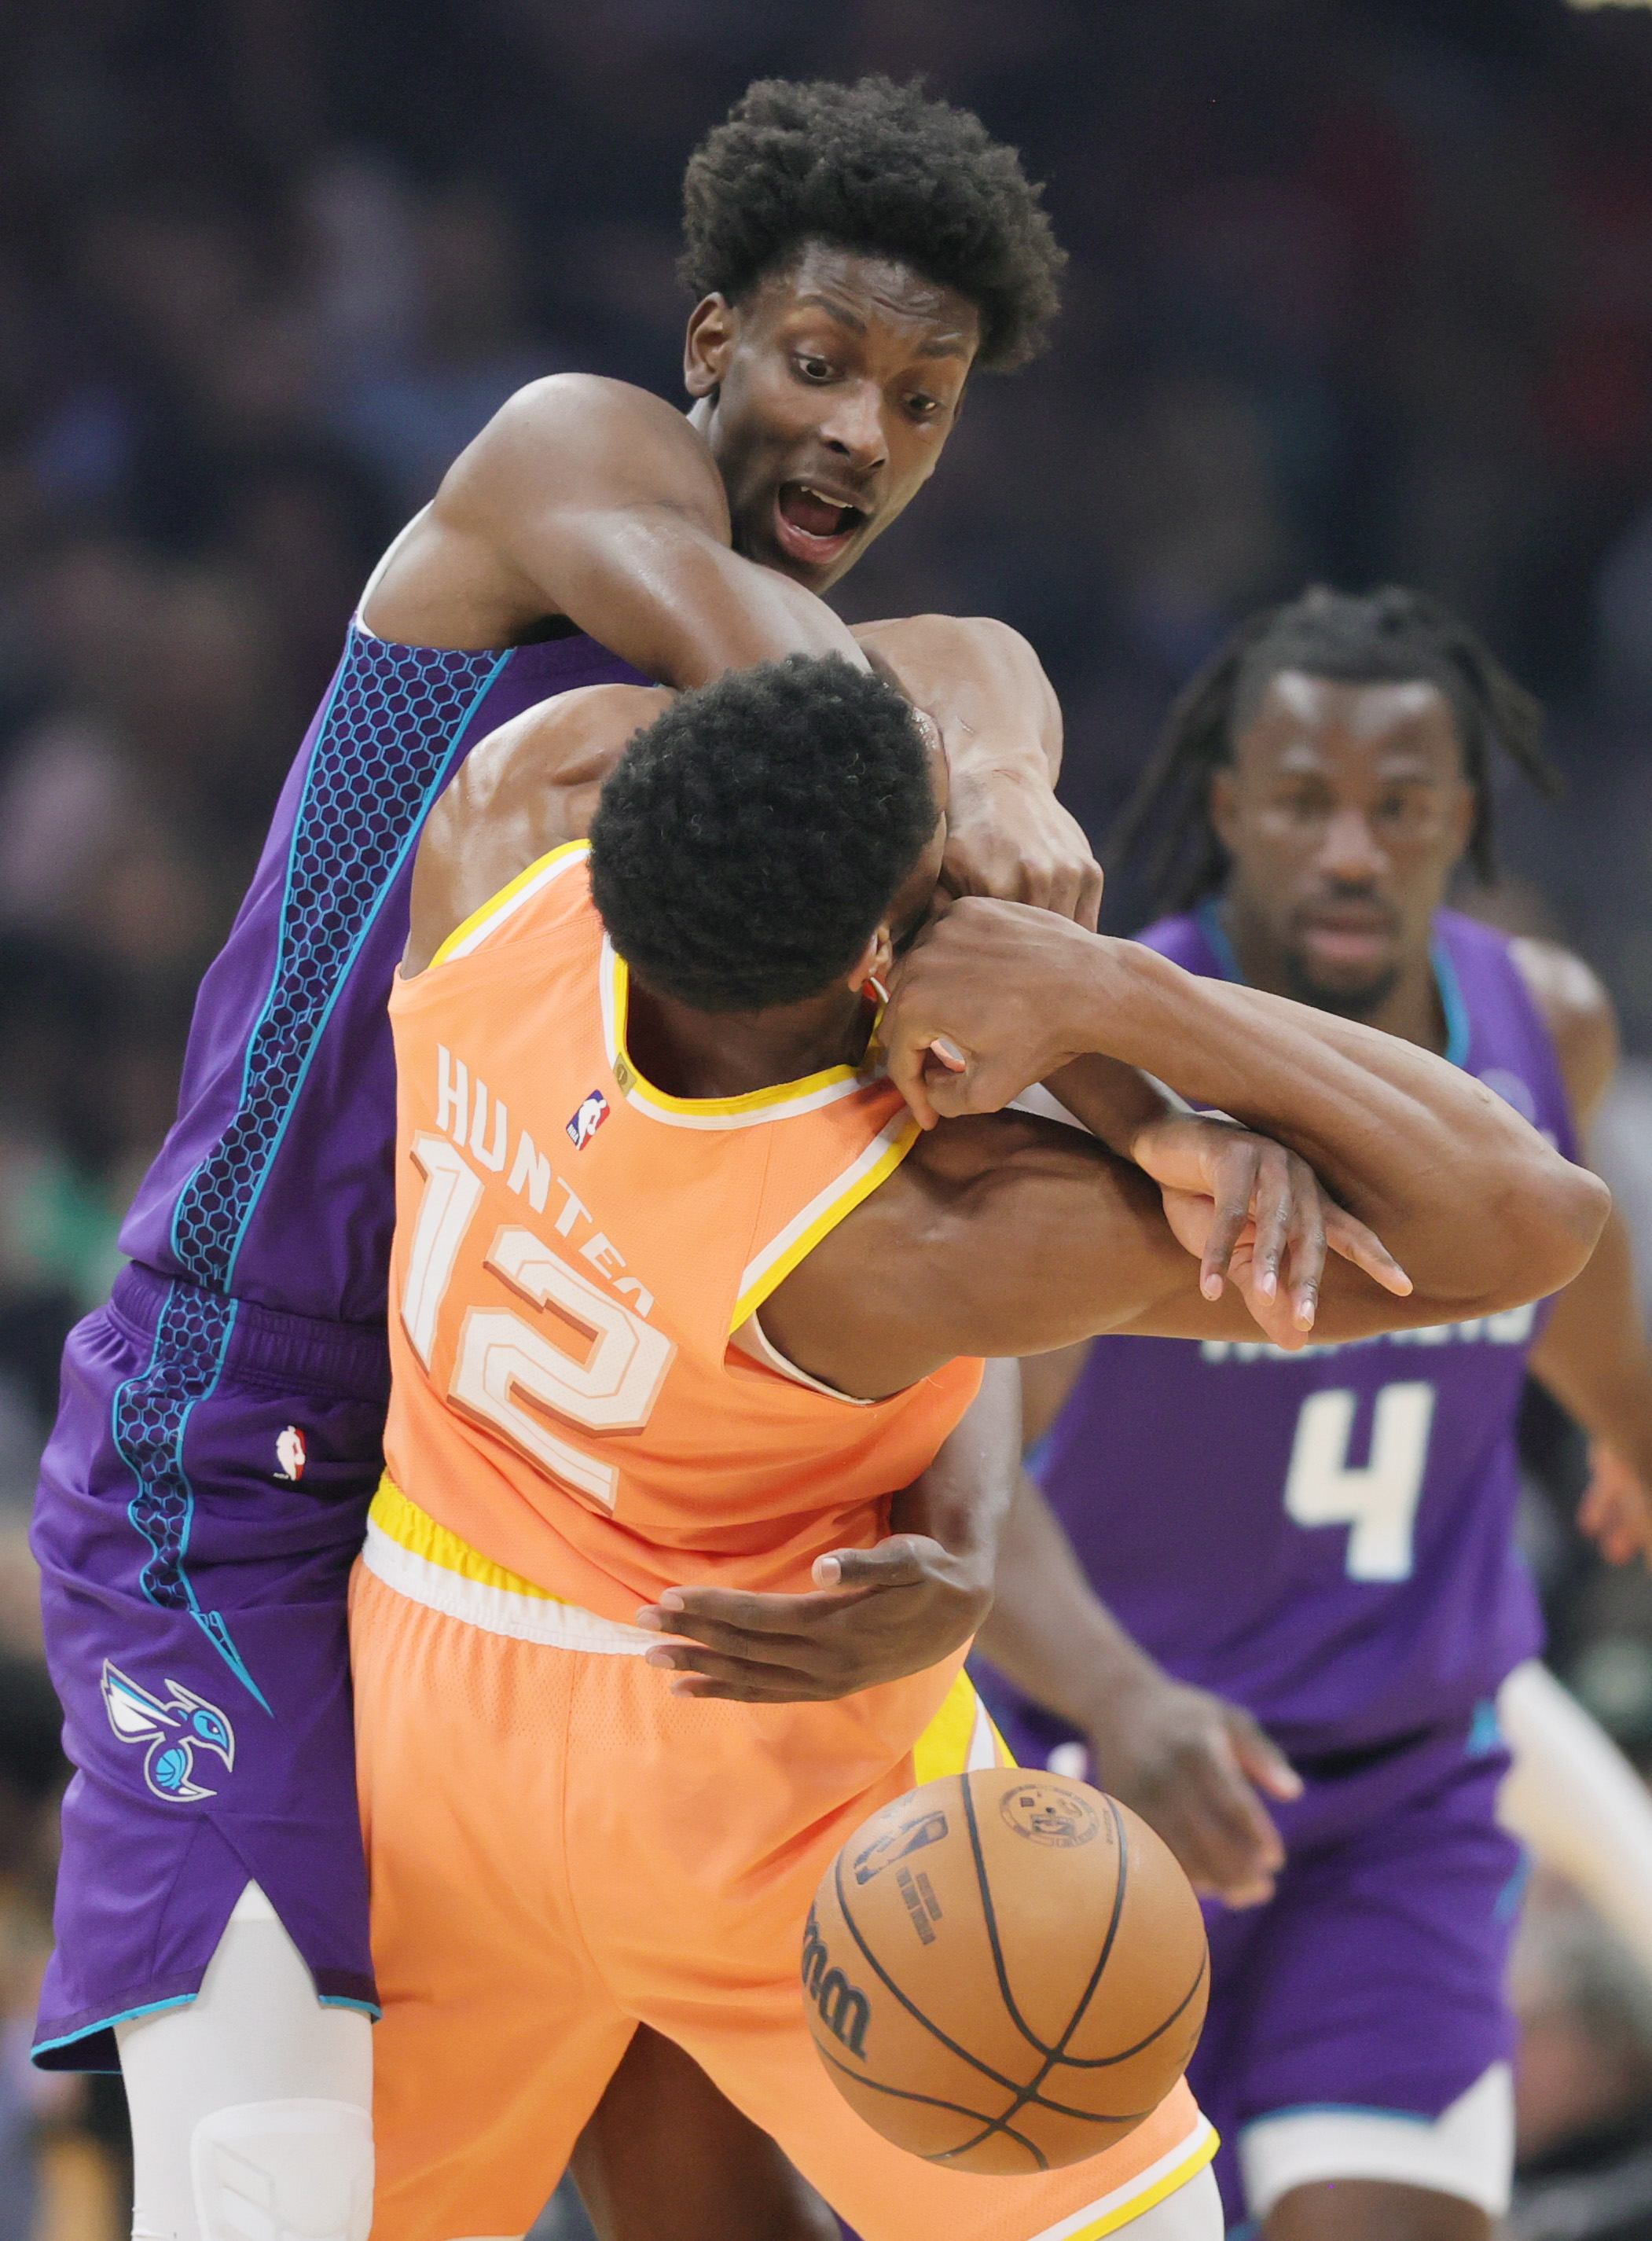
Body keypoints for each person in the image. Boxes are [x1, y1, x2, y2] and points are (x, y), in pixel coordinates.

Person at [31, 74, 1099, 2241]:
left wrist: (965, 1535)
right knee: (257, 2179)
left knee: (688, 2178)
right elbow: (814, 689)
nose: (861, 435)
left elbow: (905, 1199)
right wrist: (983, 754)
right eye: (816, 362)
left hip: (528, 1496)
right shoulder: (571, 455)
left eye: (921, 396)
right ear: (709, 342)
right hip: (233, 1429)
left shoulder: (885, 719)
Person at [356, 648, 1604, 2241]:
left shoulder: (507, 825)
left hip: (423, 1697)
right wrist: (1123, 1004)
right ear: (890, 942)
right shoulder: (914, 1231)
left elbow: (940, 663)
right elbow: (1526, 1219)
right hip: (743, 1747)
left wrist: (989, 791)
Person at [973, 586, 1652, 2241]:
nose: (1350, 850)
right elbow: (965, 1479)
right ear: (1224, 810)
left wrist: (1631, 1429)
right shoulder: (1106, 1075)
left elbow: (1584, 1278)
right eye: (1301, 802)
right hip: (1098, 1786)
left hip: (1398, 1809)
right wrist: (1124, 1697)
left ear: (1464, 820)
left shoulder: (1540, 1020)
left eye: (1399, 807)